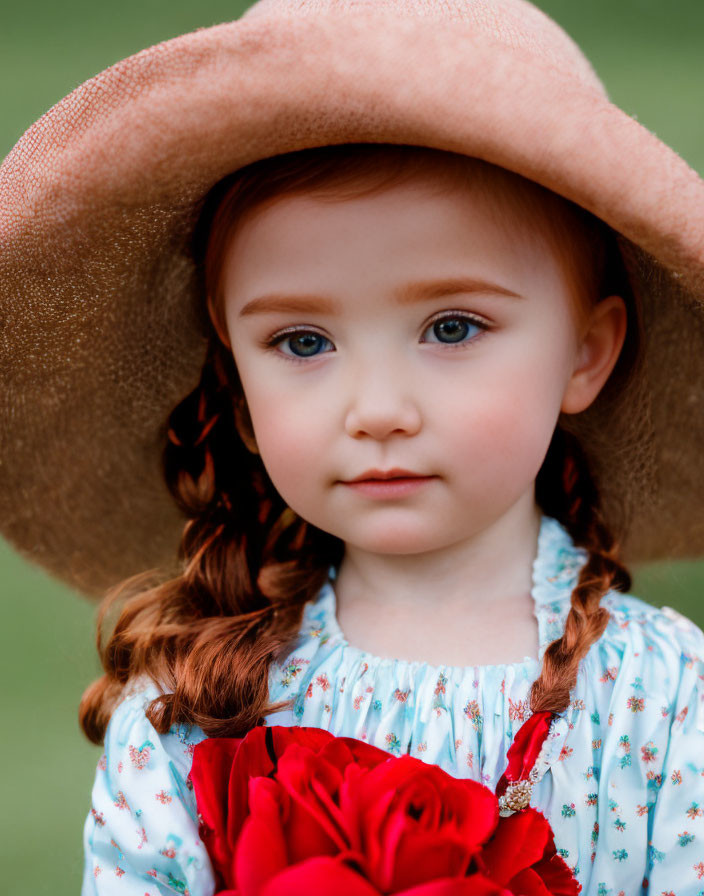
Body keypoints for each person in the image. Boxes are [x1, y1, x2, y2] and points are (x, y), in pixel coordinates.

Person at [1, 0, 703, 894]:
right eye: (302, 343)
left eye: (452, 327)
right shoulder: (199, 699)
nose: (376, 410)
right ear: (239, 382)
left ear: (586, 353)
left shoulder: (666, 694)